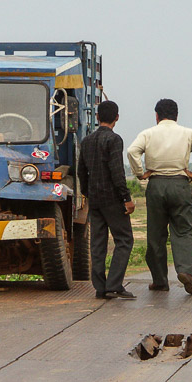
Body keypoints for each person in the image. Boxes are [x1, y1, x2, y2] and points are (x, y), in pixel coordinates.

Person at [127, 98, 192, 295]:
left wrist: (140, 173)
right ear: (177, 116)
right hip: (180, 184)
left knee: (156, 234)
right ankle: (185, 271)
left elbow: (132, 151)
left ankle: (159, 280)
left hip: (156, 184)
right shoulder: (188, 133)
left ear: (156, 116)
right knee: (184, 230)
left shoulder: (148, 133)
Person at [77, 101, 136, 300]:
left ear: (97, 117)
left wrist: (87, 192)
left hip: (95, 200)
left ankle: (100, 288)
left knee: (97, 243)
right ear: (116, 118)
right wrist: (126, 198)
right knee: (124, 240)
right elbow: (117, 172)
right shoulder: (114, 140)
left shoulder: (86, 141)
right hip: (112, 199)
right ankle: (114, 284)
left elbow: (81, 171)